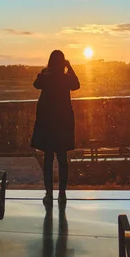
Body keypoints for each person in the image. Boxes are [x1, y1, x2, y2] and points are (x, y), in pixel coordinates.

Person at [31, 50, 80, 205]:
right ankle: (62, 193)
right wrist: (70, 67)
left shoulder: (46, 77)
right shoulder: (65, 79)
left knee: (48, 159)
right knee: (62, 159)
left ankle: (49, 193)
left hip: (47, 122)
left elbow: (36, 83)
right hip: (63, 122)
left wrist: (46, 69)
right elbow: (77, 84)